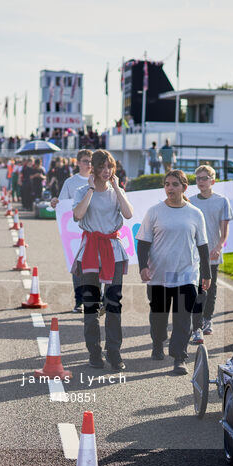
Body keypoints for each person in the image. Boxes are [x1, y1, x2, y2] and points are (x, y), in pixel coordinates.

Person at [137, 169, 211, 374]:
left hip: (186, 274)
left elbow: (203, 246)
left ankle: (179, 356)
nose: (170, 188)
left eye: (175, 184)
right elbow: (143, 242)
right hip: (158, 274)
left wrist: (206, 274)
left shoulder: (195, 213)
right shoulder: (154, 212)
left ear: (184, 187)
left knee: (183, 317)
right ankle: (158, 342)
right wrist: (143, 266)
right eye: (167, 184)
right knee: (158, 316)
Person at [71, 150, 134, 371]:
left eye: (110, 167)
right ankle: (94, 352)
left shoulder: (117, 191)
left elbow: (128, 214)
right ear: (94, 169)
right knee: (90, 303)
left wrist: (117, 188)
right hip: (90, 252)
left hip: (113, 251)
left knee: (114, 302)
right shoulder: (82, 191)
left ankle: (114, 352)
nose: (106, 171)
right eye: (102, 167)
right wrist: (90, 188)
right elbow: (78, 215)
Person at [189, 164, 232, 343]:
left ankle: (207, 319)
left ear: (213, 181)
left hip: (213, 252)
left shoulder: (222, 201)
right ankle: (196, 324)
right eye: (198, 178)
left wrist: (220, 245)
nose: (201, 182)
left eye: (205, 178)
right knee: (197, 289)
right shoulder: (190, 200)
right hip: (194, 253)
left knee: (210, 288)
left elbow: (225, 229)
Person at [52, 149, 92, 312]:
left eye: (90, 161)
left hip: (95, 228)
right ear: (78, 163)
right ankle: (79, 300)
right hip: (75, 231)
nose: (88, 164)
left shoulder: (98, 179)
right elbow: (62, 203)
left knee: (98, 264)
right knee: (77, 266)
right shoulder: (70, 182)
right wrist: (55, 201)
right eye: (85, 161)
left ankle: (98, 298)